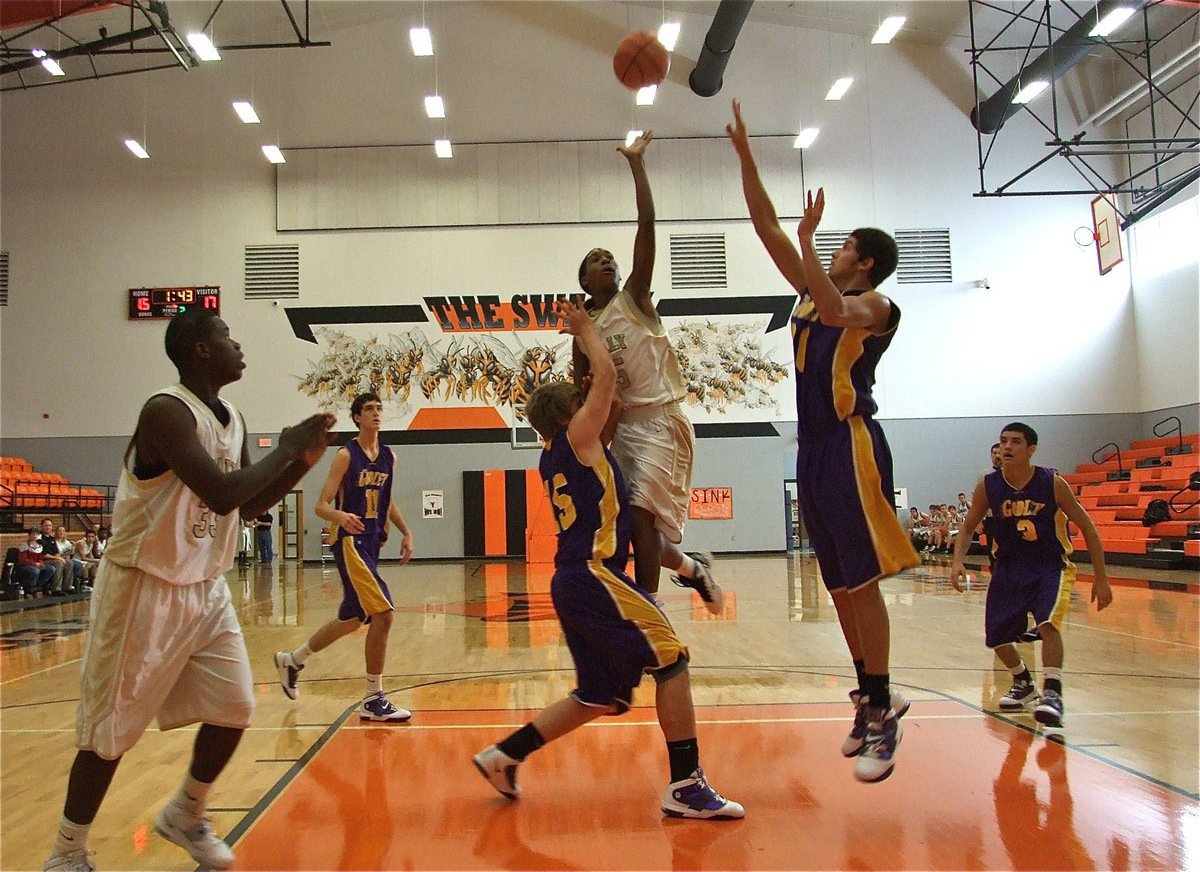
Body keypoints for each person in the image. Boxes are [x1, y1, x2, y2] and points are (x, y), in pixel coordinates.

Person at [43, 309, 335, 872]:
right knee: (109, 732)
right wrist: (286, 447)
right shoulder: (166, 411)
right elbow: (221, 493)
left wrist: (299, 462)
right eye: (227, 336)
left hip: (204, 586)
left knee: (235, 705)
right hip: (143, 587)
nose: (238, 345)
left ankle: (185, 813)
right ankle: (66, 852)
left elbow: (243, 507)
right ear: (200, 349)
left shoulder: (234, 418)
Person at [473, 301, 742, 820]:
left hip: (575, 579)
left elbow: (609, 398)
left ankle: (504, 755)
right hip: (596, 575)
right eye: (580, 403)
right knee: (672, 660)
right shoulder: (578, 439)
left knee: (598, 696)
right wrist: (585, 329)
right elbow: (609, 383)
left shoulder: (564, 453)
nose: (589, 405)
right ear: (566, 417)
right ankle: (686, 785)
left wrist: (597, 383)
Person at [726, 99, 918, 782]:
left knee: (861, 581)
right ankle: (868, 695)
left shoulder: (876, 306)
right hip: (810, 450)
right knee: (836, 585)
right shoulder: (811, 294)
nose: (828, 249)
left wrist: (808, 242)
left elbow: (837, 309)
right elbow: (764, 224)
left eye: (839, 246)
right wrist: (745, 155)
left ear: (864, 262)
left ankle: (885, 707)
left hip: (850, 443)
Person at [570, 130, 723, 615]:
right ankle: (694, 569)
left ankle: (648, 611)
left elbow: (647, 225)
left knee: (640, 516)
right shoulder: (583, 330)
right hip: (622, 429)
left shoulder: (634, 297)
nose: (607, 261)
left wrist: (637, 164)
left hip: (661, 419)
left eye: (610, 258)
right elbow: (582, 393)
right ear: (584, 281)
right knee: (633, 529)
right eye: (596, 261)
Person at [951, 422, 1113, 736]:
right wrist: (957, 561)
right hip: (1009, 567)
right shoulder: (988, 486)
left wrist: (1101, 577)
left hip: (1049, 566)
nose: (1006, 447)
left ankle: (1052, 692)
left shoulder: (1052, 482)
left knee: (1048, 624)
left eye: (1015, 441)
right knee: (996, 637)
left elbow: (1088, 527)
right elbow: (969, 526)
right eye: (1003, 441)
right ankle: (1023, 682)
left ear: (1031, 449)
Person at [273, 391, 415, 722]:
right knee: (383, 614)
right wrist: (340, 516)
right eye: (369, 409)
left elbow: (387, 501)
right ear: (357, 417)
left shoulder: (389, 457)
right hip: (350, 541)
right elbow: (321, 505)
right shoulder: (345, 455)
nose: (376, 413)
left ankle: (293, 660)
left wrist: (406, 532)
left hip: (371, 542)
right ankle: (373, 698)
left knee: (353, 618)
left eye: (379, 408)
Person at [16, 527, 57, 596]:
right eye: (33, 534)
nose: (35, 536)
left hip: (36, 564)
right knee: (35, 571)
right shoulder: (24, 546)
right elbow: (23, 559)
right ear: (29, 535)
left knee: (51, 569)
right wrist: (35, 564)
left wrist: (41, 563)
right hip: (25, 565)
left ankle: (37, 585)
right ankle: (30, 588)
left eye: (36, 534)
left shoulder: (40, 546)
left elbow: (40, 557)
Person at [38, 517, 72, 595]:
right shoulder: (39, 538)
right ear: (42, 526)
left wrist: (59, 557)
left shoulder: (52, 539)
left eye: (50, 525)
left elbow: (56, 552)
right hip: (42, 561)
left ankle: (67, 587)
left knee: (69, 562)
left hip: (52, 560)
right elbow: (43, 554)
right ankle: (56, 589)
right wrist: (58, 558)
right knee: (58, 563)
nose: (48, 527)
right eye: (46, 525)